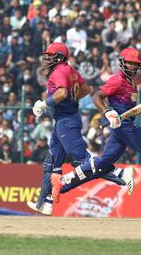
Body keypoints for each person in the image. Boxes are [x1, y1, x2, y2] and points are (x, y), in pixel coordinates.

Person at [55, 48, 141, 213]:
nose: (132, 67)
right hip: (123, 126)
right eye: (130, 63)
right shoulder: (117, 80)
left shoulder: (133, 82)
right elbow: (96, 96)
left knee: (103, 163)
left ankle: (63, 182)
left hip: (123, 124)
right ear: (122, 63)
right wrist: (106, 111)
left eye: (135, 64)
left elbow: (129, 110)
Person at [27, 42, 125, 215]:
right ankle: (44, 202)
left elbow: (62, 93)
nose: (46, 58)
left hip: (66, 121)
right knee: (51, 163)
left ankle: (120, 175)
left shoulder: (58, 71)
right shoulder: (69, 69)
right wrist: (72, 98)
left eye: (50, 55)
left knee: (83, 161)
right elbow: (86, 88)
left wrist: (44, 104)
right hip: (65, 120)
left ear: (58, 57)